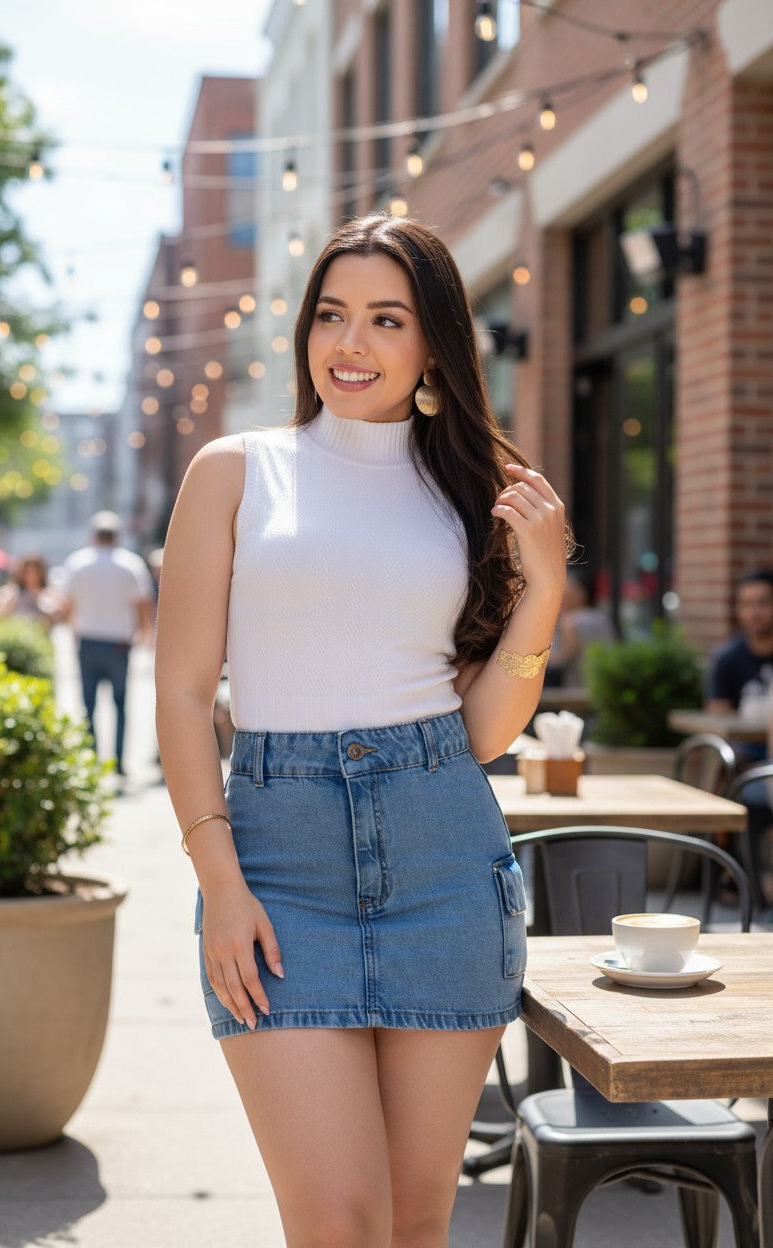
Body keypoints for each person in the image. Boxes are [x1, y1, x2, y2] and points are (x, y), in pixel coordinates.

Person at [155, 214, 567, 1247]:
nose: (351, 344)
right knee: (337, 1222)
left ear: (433, 347)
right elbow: (180, 688)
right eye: (331, 316)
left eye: (387, 319)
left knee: (419, 1219)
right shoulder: (236, 471)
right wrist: (219, 886)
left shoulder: (469, 498)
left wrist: (544, 586)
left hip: (442, 859)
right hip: (279, 868)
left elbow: (478, 733)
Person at [64, 511, 154, 777]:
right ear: (117, 535)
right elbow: (143, 602)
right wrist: (144, 633)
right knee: (120, 705)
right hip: (119, 643)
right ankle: (118, 762)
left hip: (88, 640)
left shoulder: (77, 562)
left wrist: (74, 630)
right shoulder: (130, 563)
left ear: (94, 535)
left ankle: (91, 761)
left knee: (88, 704)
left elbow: (67, 602)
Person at [706, 568, 773, 767]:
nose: (754, 612)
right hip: (745, 753)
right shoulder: (727, 658)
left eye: (763, 603)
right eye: (746, 604)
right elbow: (718, 720)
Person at [545, 569, 614, 687]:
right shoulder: (601, 617)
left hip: (578, 687)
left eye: (565, 595)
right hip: (605, 685)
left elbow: (564, 657)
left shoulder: (570, 621)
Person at [0, 553, 66, 630]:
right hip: (19, 635)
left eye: (35, 571)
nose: (31, 575)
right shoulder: (10, 591)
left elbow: (62, 617)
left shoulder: (50, 593)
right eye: (28, 571)